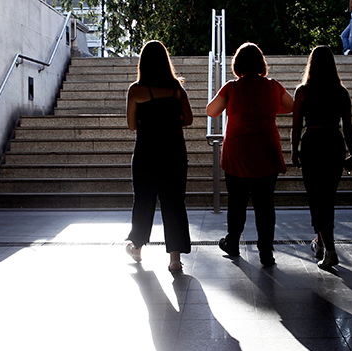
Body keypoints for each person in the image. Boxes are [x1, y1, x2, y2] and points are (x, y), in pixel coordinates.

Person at [206, 42, 294, 267]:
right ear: (261, 63)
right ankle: (266, 251)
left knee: (237, 202)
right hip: (267, 151)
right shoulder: (273, 86)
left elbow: (211, 111)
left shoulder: (232, 88)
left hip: (238, 153)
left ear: (238, 64)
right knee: (265, 204)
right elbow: (291, 106)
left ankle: (233, 242)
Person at [126, 40, 194, 273]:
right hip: (174, 151)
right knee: (174, 202)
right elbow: (189, 119)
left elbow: (132, 125)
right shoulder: (177, 89)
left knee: (143, 200)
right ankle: (174, 258)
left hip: (146, 151)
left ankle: (137, 247)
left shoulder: (136, 90)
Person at [291, 45, 352, 269]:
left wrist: (293, 149)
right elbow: (347, 126)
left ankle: (329, 249)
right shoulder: (341, 92)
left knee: (316, 198)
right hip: (333, 143)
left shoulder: (303, 91)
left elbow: (296, 124)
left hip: (312, 143)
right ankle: (321, 243)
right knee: (327, 197)